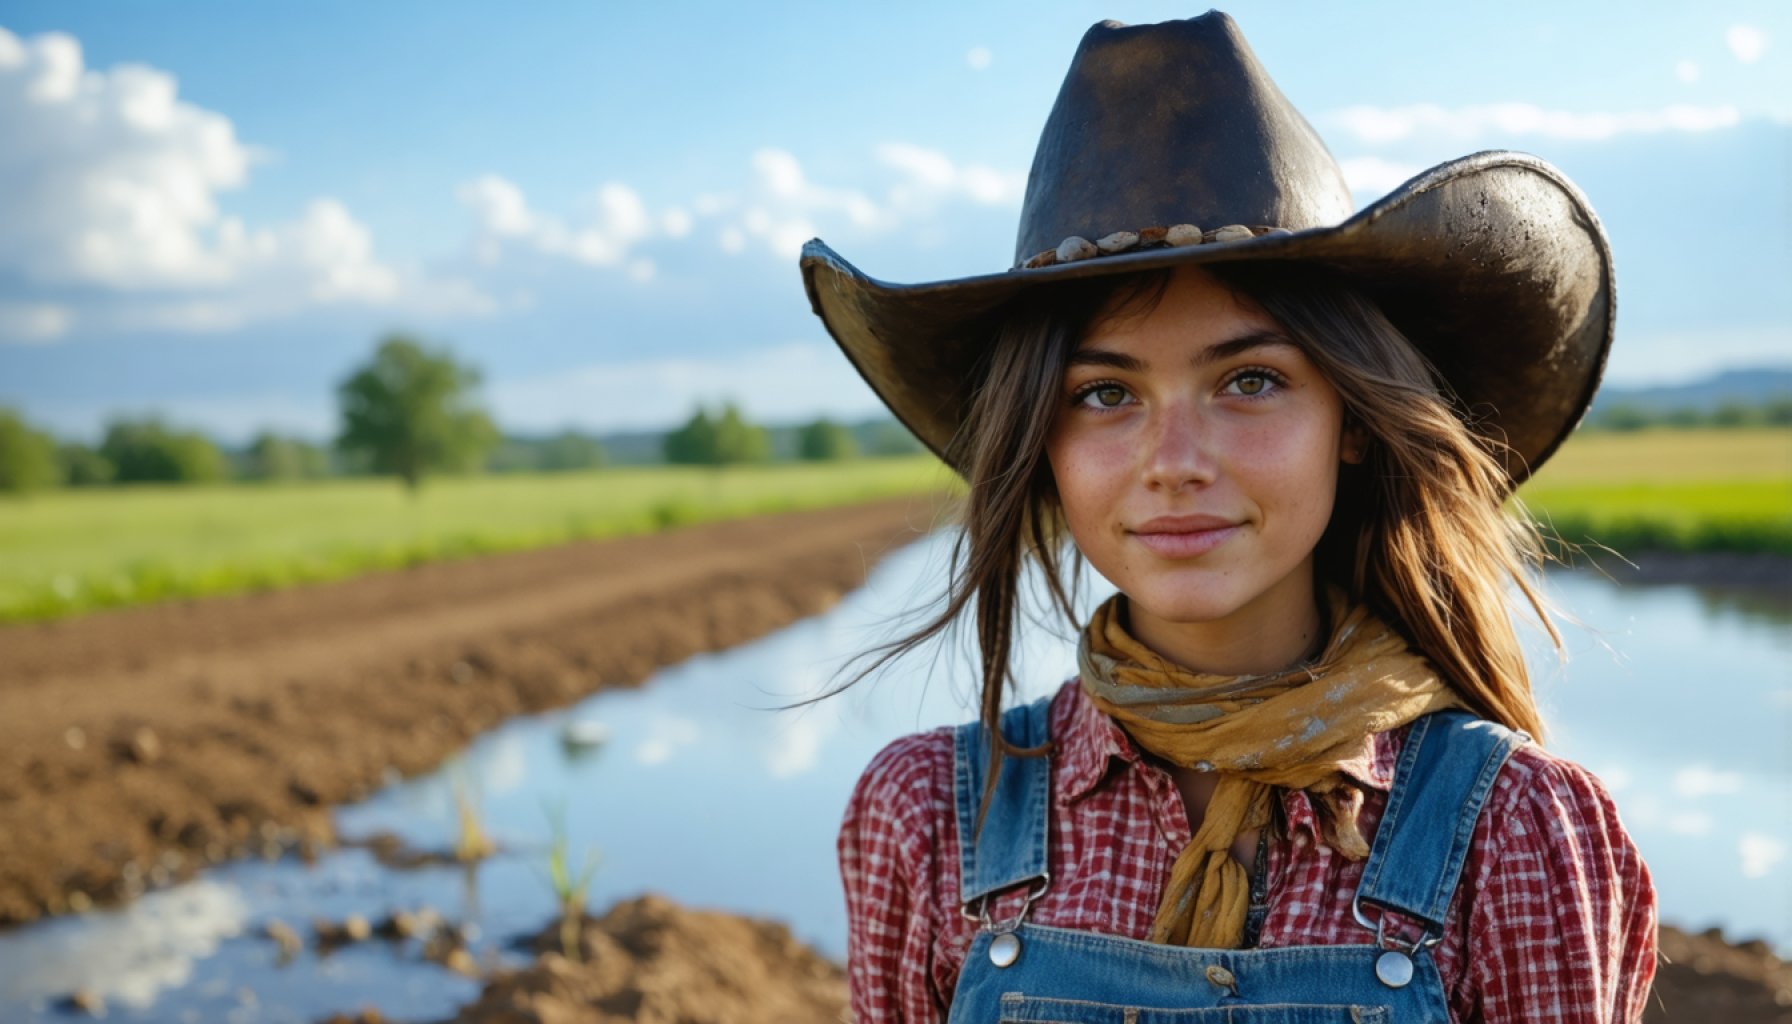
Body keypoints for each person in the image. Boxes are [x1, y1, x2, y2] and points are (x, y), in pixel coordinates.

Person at [799, 12, 1657, 1024]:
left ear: (1350, 418)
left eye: (1248, 380)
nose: (1173, 465)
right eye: (1104, 395)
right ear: (1042, 441)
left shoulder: (1514, 828)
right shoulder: (929, 816)